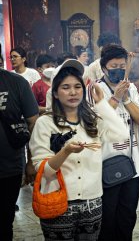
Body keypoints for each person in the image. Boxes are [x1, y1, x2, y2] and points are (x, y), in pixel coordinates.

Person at [29, 59, 130, 240]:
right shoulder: (45, 123)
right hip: (58, 202)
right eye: (66, 87)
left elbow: (122, 135)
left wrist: (101, 104)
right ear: (56, 93)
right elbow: (43, 170)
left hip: (92, 202)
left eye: (77, 86)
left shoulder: (91, 119)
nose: (73, 92)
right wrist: (65, 152)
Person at [89, 44, 139, 241]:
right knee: (108, 219)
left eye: (122, 65)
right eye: (114, 66)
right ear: (104, 67)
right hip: (106, 163)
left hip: (132, 165)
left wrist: (127, 100)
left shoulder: (130, 87)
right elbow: (95, 126)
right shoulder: (95, 89)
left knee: (128, 216)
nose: (119, 70)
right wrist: (115, 98)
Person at [0, 66, 39, 240]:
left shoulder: (16, 83)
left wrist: (31, 162)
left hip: (8, 167)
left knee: (4, 221)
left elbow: (33, 123)